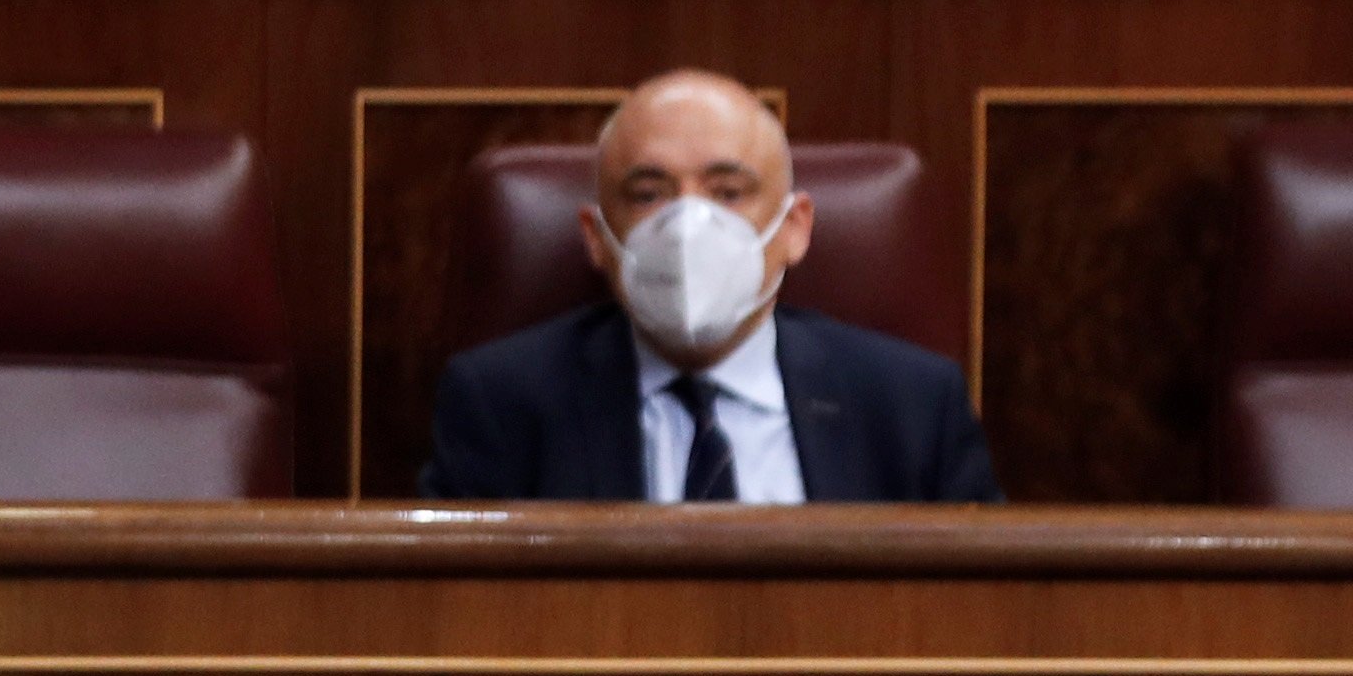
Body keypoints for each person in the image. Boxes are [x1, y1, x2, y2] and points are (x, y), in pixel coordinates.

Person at [422, 71, 1001, 506]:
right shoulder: (502, 405)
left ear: (795, 229)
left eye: (727, 192)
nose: (686, 226)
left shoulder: (912, 406)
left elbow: (979, 619)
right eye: (648, 194)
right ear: (596, 237)